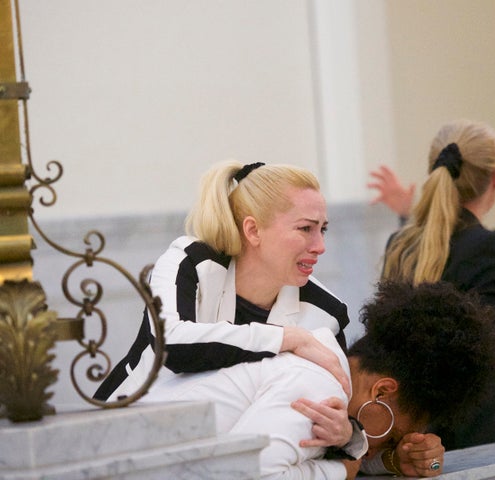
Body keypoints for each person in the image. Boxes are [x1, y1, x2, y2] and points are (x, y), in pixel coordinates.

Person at [94, 160, 361, 455]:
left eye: (323, 229)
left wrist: (345, 434)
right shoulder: (191, 262)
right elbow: (171, 345)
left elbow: (332, 410)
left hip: (217, 455)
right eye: (305, 229)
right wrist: (288, 339)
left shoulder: (328, 311)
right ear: (253, 230)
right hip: (118, 437)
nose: (320, 245)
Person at [141, 280, 495, 479]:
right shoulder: (318, 386)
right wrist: (340, 469)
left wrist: (396, 463)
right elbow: (244, 476)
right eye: (394, 436)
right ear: (382, 390)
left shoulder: (331, 373)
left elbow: (333, 446)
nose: (385, 445)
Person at [373, 119, 495, 450]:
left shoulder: (402, 245)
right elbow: (483, 366)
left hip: (413, 437)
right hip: (480, 444)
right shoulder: (488, 249)